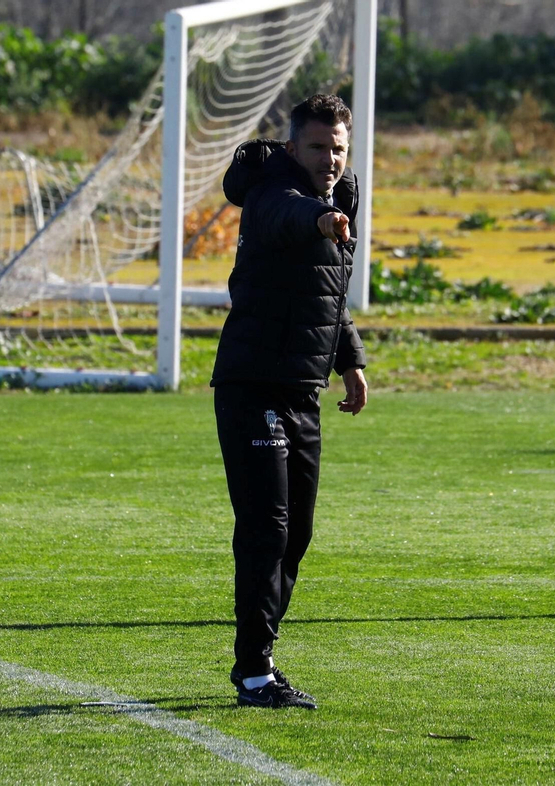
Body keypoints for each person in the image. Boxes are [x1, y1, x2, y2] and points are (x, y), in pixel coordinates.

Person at [212, 94, 369, 710]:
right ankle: (253, 670)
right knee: (267, 527)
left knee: (296, 530)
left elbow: (330, 292)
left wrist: (350, 360)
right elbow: (285, 214)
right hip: (253, 385)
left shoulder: (341, 196)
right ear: (291, 146)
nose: (329, 159)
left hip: (303, 389)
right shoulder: (273, 189)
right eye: (317, 147)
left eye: (338, 148)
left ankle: (262, 658)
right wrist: (319, 221)